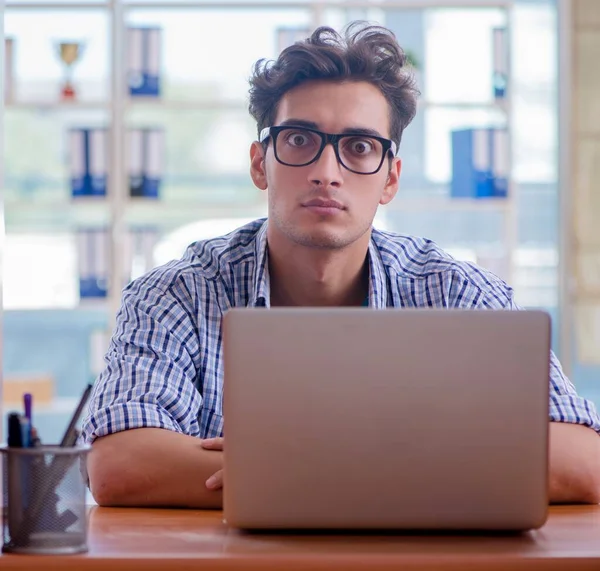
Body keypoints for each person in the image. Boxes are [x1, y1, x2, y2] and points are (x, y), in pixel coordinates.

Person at [82, 22, 600, 509]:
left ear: (390, 179)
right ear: (261, 163)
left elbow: (581, 462)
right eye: (301, 141)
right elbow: (121, 464)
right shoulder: (176, 294)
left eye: (358, 147)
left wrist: (291, 474)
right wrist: (422, 471)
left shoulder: (458, 292)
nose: (326, 173)